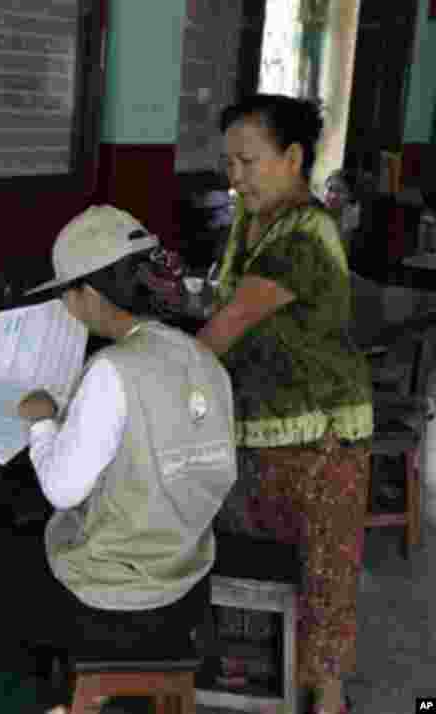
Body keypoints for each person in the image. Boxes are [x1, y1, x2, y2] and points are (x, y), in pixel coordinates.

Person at [0, 206, 238, 714]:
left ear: (90, 293)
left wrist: (43, 420)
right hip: (188, 581)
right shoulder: (202, 358)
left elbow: (62, 489)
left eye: (66, 292)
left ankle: (48, 702)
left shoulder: (112, 369)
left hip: (115, 602)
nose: (65, 303)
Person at [197, 94, 373, 714]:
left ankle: (329, 704)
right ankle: (258, 682)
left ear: (294, 158)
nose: (234, 176)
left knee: (325, 581)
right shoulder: (257, 222)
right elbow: (228, 304)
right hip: (261, 427)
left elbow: (226, 329)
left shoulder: (303, 232)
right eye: (229, 162)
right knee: (265, 568)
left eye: (247, 161)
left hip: (321, 439)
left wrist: (146, 365)